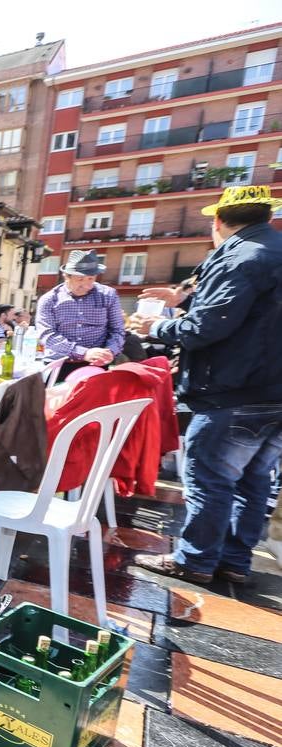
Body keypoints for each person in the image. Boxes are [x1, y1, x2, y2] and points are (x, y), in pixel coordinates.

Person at [124, 184, 282, 591]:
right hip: (271, 392)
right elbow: (250, 317)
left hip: (233, 390)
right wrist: (183, 299)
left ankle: (194, 560)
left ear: (217, 222)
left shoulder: (242, 258)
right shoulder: (270, 252)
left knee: (211, 478)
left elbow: (209, 326)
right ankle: (233, 561)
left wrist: (156, 326)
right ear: (266, 216)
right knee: (254, 480)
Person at [36, 250, 124, 381]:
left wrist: (110, 351)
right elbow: (47, 335)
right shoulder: (49, 300)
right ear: (67, 276)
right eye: (80, 279)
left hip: (96, 365)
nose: (87, 285)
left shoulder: (108, 295)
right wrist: (84, 353)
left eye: (91, 279)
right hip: (59, 365)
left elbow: (118, 330)